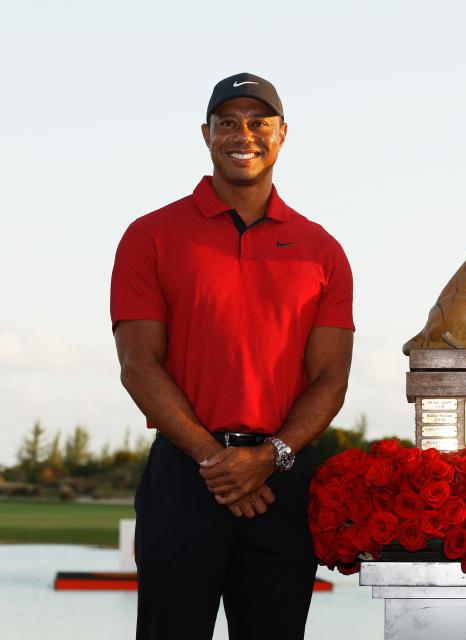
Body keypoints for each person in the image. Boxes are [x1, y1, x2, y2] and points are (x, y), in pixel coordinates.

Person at [110, 72, 355, 640]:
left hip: (283, 479)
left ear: (282, 134)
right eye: (228, 123)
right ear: (206, 134)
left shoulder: (322, 250)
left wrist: (270, 456)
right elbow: (138, 365)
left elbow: (330, 377)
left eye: (258, 122)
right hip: (184, 475)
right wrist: (215, 462)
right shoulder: (150, 236)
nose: (243, 134)